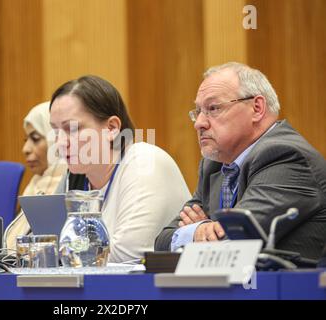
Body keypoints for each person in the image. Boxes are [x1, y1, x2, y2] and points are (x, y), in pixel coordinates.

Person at [155, 62, 326, 260]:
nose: (200, 123)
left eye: (213, 108)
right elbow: (163, 240)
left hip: (290, 289)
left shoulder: (286, 156)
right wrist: (200, 229)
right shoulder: (215, 165)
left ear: (257, 108)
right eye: (198, 111)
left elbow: (237, 242)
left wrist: (198, 234)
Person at [50, 75, 191, 263]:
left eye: (72, 129)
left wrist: (67, 255)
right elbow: (47, 247)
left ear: (112, 128)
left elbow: (127, 256)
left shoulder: (145, 162)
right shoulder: (75, 177)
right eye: (56, 131)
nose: (60, 143)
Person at [4, 102, 67, 250]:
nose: (25, 149)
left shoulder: (74, 183)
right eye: (26, 140)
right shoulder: (35, 184)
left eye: (36, 138)